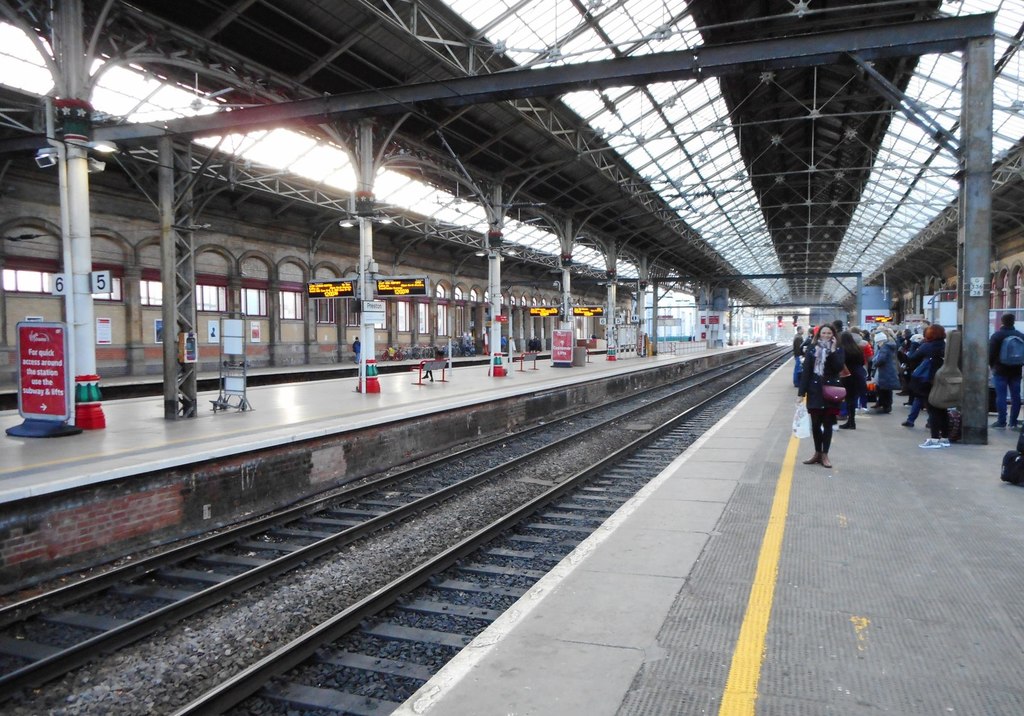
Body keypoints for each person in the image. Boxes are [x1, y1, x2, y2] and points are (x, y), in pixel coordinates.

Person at [798, 325, 845, 469]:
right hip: (815, 391)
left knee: (828, 424)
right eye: (824, 332)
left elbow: (838, 368)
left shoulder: (838, 350)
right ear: (819, 334)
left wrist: (831, 352)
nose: (826, 335)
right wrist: (801, 393)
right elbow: (806, 372)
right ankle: (817, 453)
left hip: (831, 392)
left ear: (833, 335)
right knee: (816, 425)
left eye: (829, 333)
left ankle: (825, 454)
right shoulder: (812, 350)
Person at [908, 324, 949, 448]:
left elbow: (911, 358)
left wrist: (915, 344)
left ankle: (934, 438)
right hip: (943, 380)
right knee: (942, 409)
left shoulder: (927, 346)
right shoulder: (945, 346)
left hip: (928, 381)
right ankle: (945, 437)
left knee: (932, 410)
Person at [988, 312, 1024, 428]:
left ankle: (1001, 421)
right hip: (1016, 370)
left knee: (1001, 396)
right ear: (1013, 322)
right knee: (1016, 396)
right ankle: (1013, 422)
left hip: (1000, 370)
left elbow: (991, 354)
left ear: (1002, 322)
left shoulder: (997, 336)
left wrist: (992, 366)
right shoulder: (1020, 335)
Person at [838, 330, 867, 430]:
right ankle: (852, 421)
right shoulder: (857, 349)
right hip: (858, 376)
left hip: (847, 376)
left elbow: (840, 364)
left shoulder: (842, 350)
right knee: (853, 398)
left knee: (848, 399)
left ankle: (850, 422)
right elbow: (863, 362)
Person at [870, 329, 900, 414]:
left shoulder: (884, 347)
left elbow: (881, 359)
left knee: (885, 389)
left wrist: (876, 363)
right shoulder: (889, 346)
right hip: (888, 370)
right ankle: (883, 404)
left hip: (885, 370)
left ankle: (886, 406)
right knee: (885, 389)